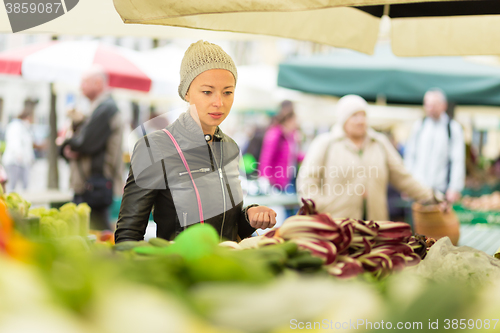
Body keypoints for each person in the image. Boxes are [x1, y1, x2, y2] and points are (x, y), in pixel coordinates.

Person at [114, 40, 277, 243]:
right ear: (186, 92)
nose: (219, 102)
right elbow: (128, 236)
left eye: (228, 92)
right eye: (207, 92)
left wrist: (249, 216)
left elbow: (229, 227)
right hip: (180, 270)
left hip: (229, 268)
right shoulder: (155, 147)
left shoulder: (231, 148)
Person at [297, 94, 439, 221]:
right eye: (354, 116)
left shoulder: (379, 143)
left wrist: (432, 197)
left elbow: (403, 177)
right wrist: (318, 208)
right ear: (343, 119)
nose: (360, 121)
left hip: (375, 226)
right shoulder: (326, 143)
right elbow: (307, 181)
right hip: (336, 225)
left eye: (363, 115)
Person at [61, 66, 124, 230]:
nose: (80, 86)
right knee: (93, 233)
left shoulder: (106, 108)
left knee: (95, 234)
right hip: (91, 184)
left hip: (94, 184)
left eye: (84, 82)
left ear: (98, 83)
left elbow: (84, 143)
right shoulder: (99, 108)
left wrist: (66, 142)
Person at [404, 89, 465, 203]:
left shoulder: (453, 128)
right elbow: (410, 156)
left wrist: (454, 188)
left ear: (443, 106)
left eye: (434, 105)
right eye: (428, 105)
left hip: (441, 189)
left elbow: (457, 160)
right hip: (419, 189)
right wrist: (408, 185)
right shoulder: (419, 126)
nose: (430, 109)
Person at [258, 100, 303, 193]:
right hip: (276, 183)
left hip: (288, 180)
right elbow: (266, 158)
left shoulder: (290, 136)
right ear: (289, 119)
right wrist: (264, 179)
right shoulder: (275, 134)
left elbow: (293, 156)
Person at [3, 108, 36, 192]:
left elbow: (28, 146)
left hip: (24, 162)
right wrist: (18, 154)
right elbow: (14, 142)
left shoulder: (26, 128)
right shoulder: (15, 126)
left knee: (25, 184)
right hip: (14, 160)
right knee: (12, 184)